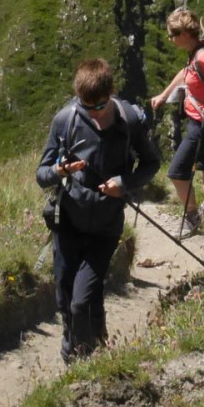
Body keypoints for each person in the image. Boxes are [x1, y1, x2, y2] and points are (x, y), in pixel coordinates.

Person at [36, 57, 159, 362]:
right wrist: (60, 171)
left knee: (81, 300)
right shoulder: (65, 120)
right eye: (85, 105)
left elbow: (151, 164)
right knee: (66, 298)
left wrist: (124, 183)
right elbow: (41, 175)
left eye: (99, 105)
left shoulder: (129, 120)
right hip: (69, 222)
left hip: (105, 226)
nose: (92, 112)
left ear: (111, 92)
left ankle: (77, 358)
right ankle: (94, 344)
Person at [150, 9, 204, 237]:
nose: (170, 39)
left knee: (177, 172)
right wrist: (164, 94)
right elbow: (186, 73)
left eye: (172, 34)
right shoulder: (196, 52)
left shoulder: (203, 56)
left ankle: (192, 218)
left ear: (185, 34)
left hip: (203, 122)